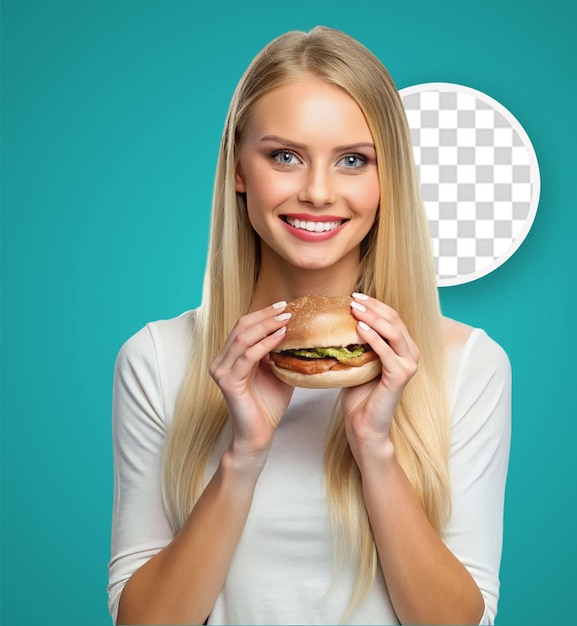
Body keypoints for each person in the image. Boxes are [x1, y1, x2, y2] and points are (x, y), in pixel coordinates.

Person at [107, 26, 511, 625]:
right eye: (285, 156)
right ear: (238, 169)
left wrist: (374, 447)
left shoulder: (468, 362)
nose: (318, 192)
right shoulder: (159, 357)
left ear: (387, 179)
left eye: (353, 160)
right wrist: (244, 455)